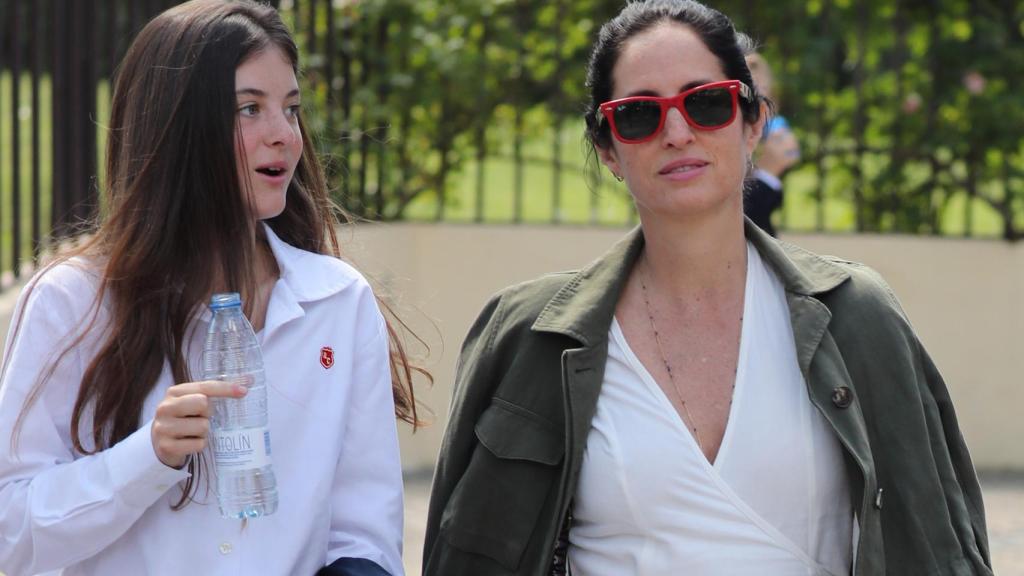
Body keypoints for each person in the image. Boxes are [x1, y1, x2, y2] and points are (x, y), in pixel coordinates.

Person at [423, 1, 991, 575]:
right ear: (608, 149)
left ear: (752, 123)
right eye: (640, 114)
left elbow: (938, 541)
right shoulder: (527, 335)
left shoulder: (858, 315)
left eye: (707, 102)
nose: (677, 132)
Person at [0, 1, 415, 574]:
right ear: (177, 130)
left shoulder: (339, 302)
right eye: (250, 108)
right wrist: (147, 457)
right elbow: (11, 533)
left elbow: (364, 538)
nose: (284, 137)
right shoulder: (71, 303)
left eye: (291, 110)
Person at [743, 52, 800, 237]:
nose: (759, 96)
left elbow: (791, 155)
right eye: (751, 89)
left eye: (763, 88)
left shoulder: (775, 126)